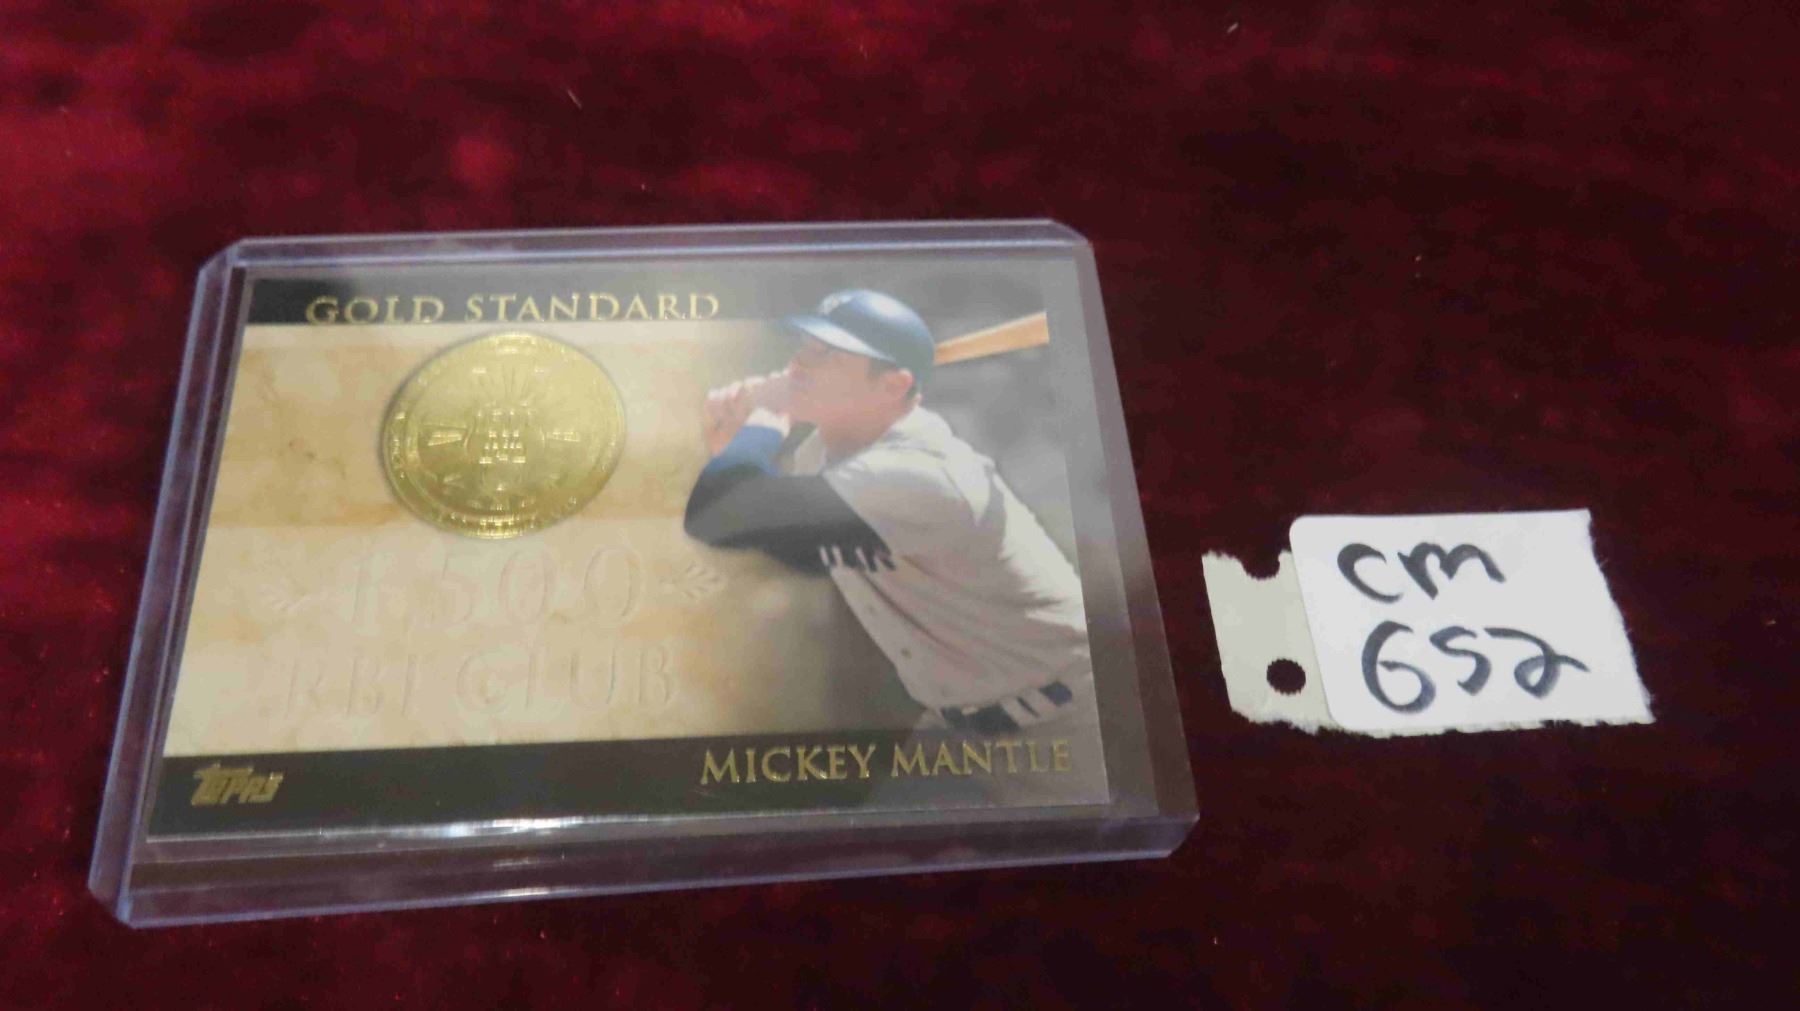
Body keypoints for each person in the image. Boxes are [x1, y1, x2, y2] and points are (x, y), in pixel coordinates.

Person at [683, 289, 1095, 738]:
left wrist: (766, 418)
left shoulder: (920, 472)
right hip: (954, 727)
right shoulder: (822, 452)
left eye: (828, 355)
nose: (798, 365)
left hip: (1070, 723)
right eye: (805, 346)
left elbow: (718, 513)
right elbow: (786, 544)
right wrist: (732, 449)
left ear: (893, 386)